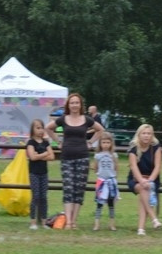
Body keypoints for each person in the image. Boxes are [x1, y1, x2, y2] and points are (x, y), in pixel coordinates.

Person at [46, 93, 103, 230]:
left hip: (83, 157)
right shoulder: (63, 119)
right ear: (68, 105)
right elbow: (48, 128)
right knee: (68, 189)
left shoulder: (87, 119)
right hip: (67, 157)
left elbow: (100, 130)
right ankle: (68, 222)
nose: (74, 105)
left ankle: (74, 222)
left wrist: (91, 142)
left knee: (79, 190)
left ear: (80, 105)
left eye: (77, 103)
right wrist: (57, 141)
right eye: (72, 103)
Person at [127, 124, 162, 236]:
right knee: (143, 189)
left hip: (152, 178)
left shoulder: (156, 147)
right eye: (144, 133)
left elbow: (158, 166)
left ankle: (141, 229)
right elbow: (133, 167)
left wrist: (150, 181)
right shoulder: (133, 148)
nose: (146, 136)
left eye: (149, 133)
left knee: (145, 192)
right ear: (139, 135)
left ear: (152, 135)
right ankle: (153, 218)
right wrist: (142, 181)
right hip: (136, 178)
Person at [25, 118, 54, 230]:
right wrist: (44, 154)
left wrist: (39, 155)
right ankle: (33, 222)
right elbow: (32, 157)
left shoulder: (46, 142)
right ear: (32, 129)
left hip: (44, 173)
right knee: (35, 196)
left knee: (44, 197)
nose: (40, 130)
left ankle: (44, 221)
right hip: (34, 173)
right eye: (37, 128)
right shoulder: (31, 142)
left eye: (42, 127)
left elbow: (52, 156)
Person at [92, 132, 120, 231]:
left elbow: (116, 167)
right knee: (99, 204)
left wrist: (114, 176)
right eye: (103, 142)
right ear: (100, 143)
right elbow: (95, 167)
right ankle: (96, 224)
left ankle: (112, 224)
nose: (106, 145)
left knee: (111, 204)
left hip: (111, 181)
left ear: (111, 143)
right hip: (101, 182)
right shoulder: (97, 156)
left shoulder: (114, 155)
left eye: (108, 142)